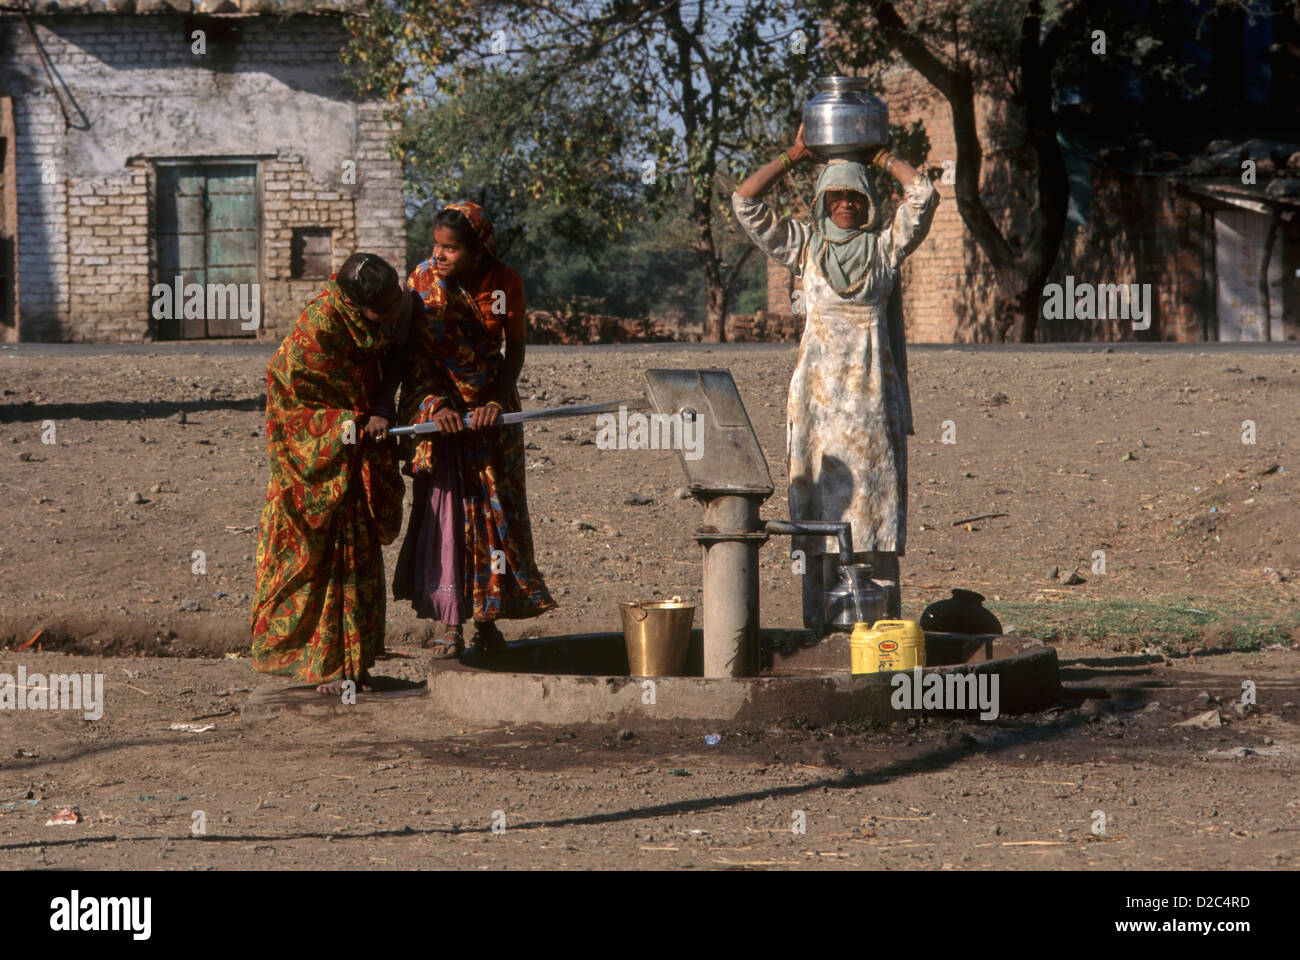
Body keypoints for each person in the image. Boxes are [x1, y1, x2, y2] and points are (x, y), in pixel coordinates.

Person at [733, 124, 939, 630]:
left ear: (868, 200)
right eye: (836, 195)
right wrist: (796, 155)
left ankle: (882, 634)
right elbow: (744, 202)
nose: (845, 203)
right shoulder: (805, 248)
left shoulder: (886, 248)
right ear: (823, 201)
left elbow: (924, 194)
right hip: (818, 409)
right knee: (821, 517)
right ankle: (820, 632)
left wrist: (881, 156)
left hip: (871, 405)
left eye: (854, 195)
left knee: (873, 513)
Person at [394, 201, 556, 657]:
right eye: (436, 245)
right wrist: (434, 405)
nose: (439, 255)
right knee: (448, 515)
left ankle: (488, 618)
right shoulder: (420, 282)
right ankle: (451, 625)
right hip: (438, 414)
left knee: (494, 512)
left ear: (479, 249)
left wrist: (494, 400)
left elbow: (515, 350)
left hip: (492, 416)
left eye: (451, 248)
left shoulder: (505, 284)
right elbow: (410, 358)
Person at [250, 252, 413, 694]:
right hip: (316, 465)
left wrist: (380, 407)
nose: (394, 313)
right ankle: (323, 666)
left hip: (356, 457)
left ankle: (352, 665)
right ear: (356, 306)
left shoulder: (396, 305)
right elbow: (290, 405)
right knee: (314, 560)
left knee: (356, 561)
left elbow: (397, 354)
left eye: (396, 303)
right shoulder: (318, 330)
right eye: (384, 311)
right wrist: (350, 426)